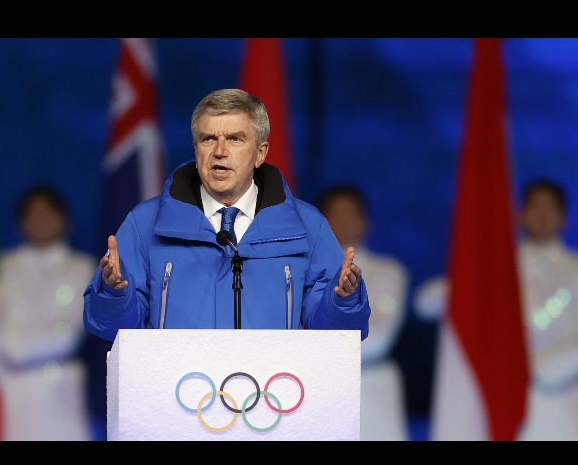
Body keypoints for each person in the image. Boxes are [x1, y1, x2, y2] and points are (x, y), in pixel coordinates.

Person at [83, 88, 370, 343]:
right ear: (196, 150)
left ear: (260, 153)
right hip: (175, 386)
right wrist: (113, 293)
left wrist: (344, 301)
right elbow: (111, 327)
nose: (219, 151)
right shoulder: (145, 222)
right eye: (208, 139)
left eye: (235, 139)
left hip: (271, 386)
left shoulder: (307, 225)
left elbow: (336, 335)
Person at [414, 179, 578, 441]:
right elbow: (426, 303)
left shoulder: (575, 270)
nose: (542, 215)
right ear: (518, 215)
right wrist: (481, 257)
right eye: (535, 207)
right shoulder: (497, 265)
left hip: (563, 400)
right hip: (500, 400)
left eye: (550, 208)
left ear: (564, 217)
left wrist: (538, 366)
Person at [0, 186, 95, 441]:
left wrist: (13, 344)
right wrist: (10, 344)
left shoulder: (82, 268)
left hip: (58, 389)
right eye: (33, 215)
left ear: (64, 220)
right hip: (12, 389)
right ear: (22, 224)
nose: (41, 221)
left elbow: (66, 336)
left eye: (48, 213)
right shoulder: (4, 267)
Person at [319, 185, 410, 441]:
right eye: (335, 214)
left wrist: (315, 344)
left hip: (369, 387)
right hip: (319, 386)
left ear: (365, 223)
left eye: (351, 213)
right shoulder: (303, 271)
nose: (343, 221)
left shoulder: (388, 272)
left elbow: (378, 337)